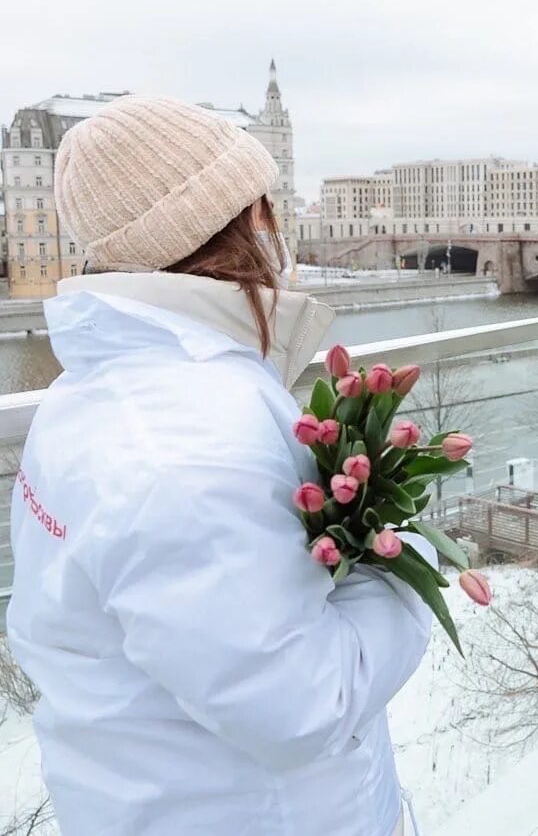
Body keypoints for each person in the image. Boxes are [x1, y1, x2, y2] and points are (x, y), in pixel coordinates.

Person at [7, 96, 433, 836]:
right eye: (263, 202)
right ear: (238, 221)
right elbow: (302, 704)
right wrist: (409, 565)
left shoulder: (92, 396)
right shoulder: (187, 442)